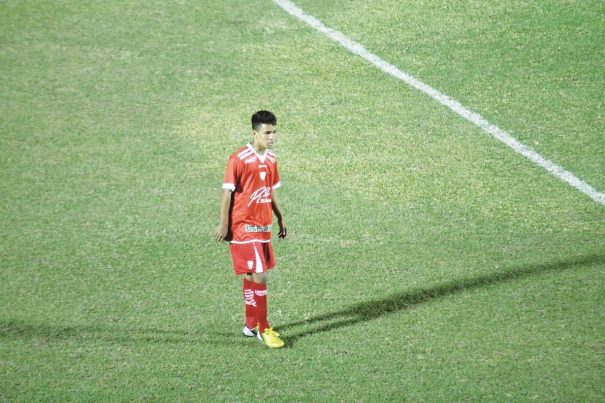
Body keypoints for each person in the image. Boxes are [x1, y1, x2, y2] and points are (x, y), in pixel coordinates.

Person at [214, 110, 287, 348]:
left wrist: (280, 216)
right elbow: (227, 191)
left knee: (250, 273)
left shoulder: (272, 159)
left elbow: (271, 189)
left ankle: (250, 324)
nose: (272, 136)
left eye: (274, 132)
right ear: (255, 132)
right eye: (267, 132)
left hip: (263, 226)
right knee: (260, 274)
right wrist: (224, 223)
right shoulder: (239, 158)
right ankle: (263, 328)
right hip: (244, 226)